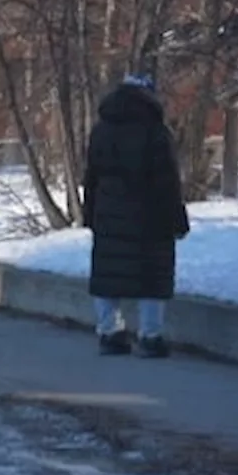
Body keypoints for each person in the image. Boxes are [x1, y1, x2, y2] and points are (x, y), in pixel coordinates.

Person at [84, 73, 189, 359]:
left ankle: (109, 332)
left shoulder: (101, 129)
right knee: (152, 277)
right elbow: (168, 181)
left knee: (108, 274)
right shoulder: (156, 131)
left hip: (109, 214)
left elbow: (91, 177)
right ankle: (150, 336)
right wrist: (177, 219)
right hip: (150, 215)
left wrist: (90, 215)